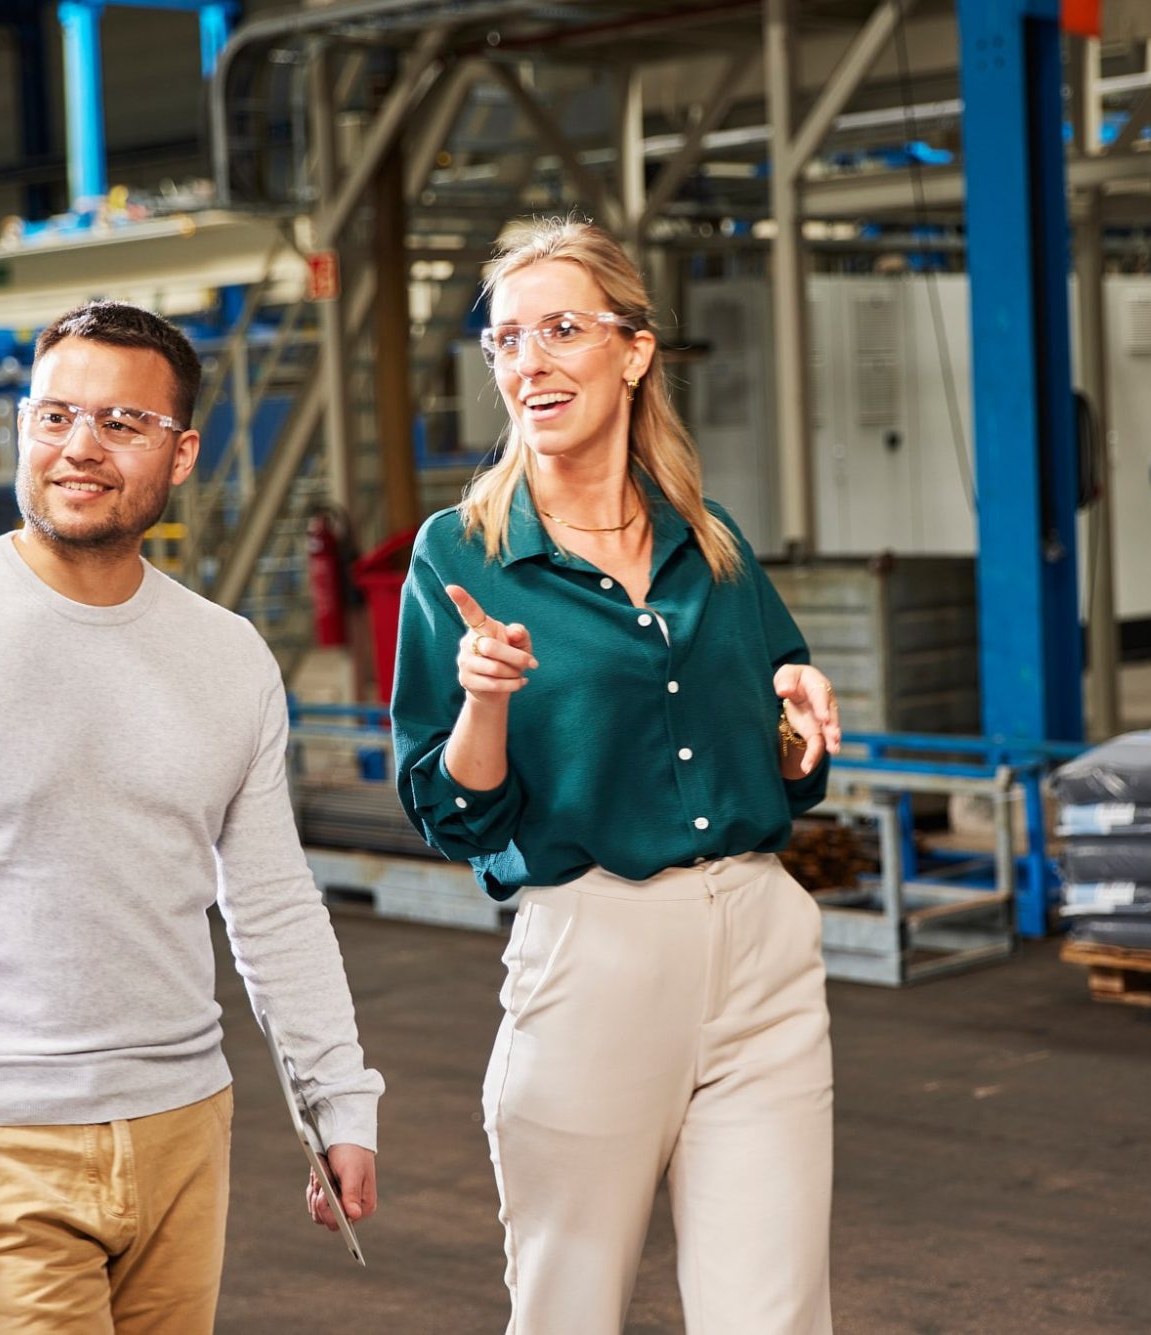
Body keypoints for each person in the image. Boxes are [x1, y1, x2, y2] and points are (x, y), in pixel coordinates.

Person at [0, 300, 383, 1333]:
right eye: (54, 416)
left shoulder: (228, 654)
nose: (79, 449)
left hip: (185, 1127)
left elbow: (271, 903)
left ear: (183, 450)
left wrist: (337, 1100)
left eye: (121, 424)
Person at [390, 219, 843, 1335]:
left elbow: (783, 760)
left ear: (633, 351)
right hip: (595, 949)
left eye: (559, 331)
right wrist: (484, 701)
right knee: (568, 1309)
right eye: (504, 341)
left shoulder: (709, 534)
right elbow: (453, 812)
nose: (527, 363)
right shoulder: (462, 552)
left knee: (772, 1315)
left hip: (761, 946)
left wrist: (799, 714)